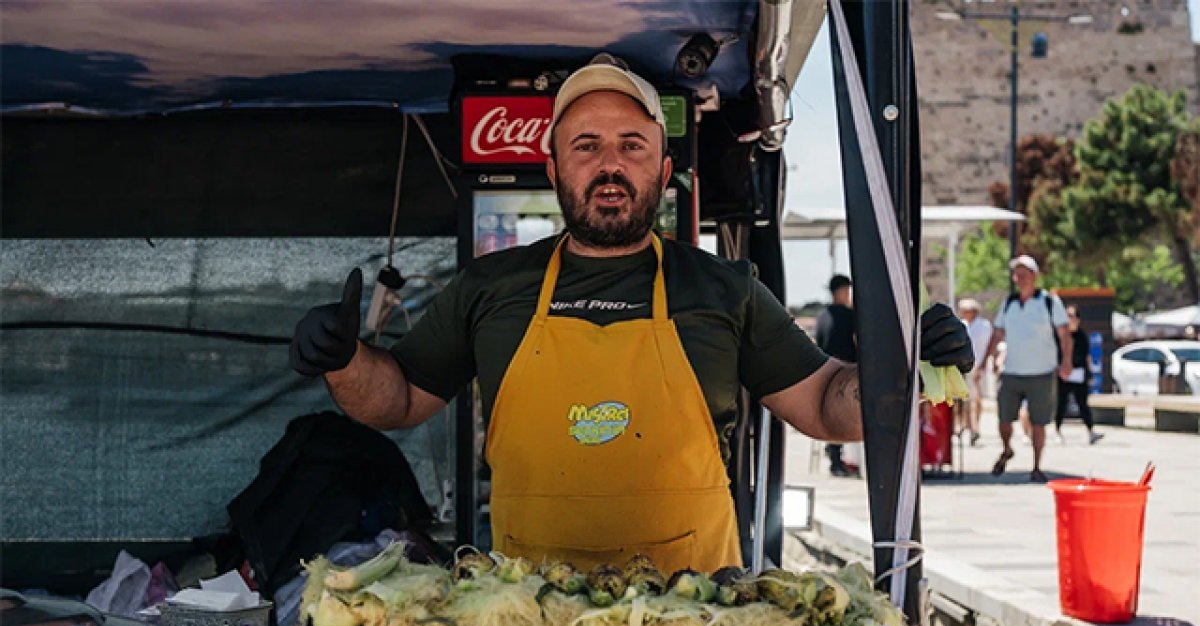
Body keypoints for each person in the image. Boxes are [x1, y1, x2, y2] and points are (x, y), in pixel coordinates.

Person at [289, 54, 975, 573]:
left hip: (698, 624)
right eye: (586, 146)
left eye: (632, 145)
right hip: (526, 618)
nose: (609, 165)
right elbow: (399, 396)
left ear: (663, 166)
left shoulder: (724, 288)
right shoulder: (489, 286)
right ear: (553, 165)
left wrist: (905, 371)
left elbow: (828, 405)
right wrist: (344, 361)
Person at [983, 255, 1072, 483]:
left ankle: (1036, 465)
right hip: (1012, 369)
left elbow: (1064, 334)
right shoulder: (1010, 303)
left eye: (1024, 274)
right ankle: (1006, 448)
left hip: (1042, 370)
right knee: (1004, 417)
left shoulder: (1049, 302)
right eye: (1017, 274)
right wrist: (989, 357)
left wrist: (1066, 361)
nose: (1019, 278)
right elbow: (998, 332)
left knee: (1039, 422)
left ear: (1034, 276)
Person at [815, 275, 857, 476]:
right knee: (841, 415)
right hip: (845, 372)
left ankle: (834, 454)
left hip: (825, 370)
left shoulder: (822, 316)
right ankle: (835, 457)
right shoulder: (848, 316)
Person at [1055, 304, 1103, 445]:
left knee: (1083, 403)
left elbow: (1087, 356)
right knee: (1061, 403)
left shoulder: (1082, 336)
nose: (1069, 319)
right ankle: (1057, 431)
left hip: (1079, 374)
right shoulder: (1061, 335)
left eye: (1072, 316)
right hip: (1063, 374)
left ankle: (1090, 431)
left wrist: (1089, 374)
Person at [956, 297, 992, 446]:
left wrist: (983, 364)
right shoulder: (961, 325)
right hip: (962, 367)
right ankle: (964, 426)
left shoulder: (984, 326)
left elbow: (988, 345)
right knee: (961, 399)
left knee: (976, 398)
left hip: (978, 366)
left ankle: (975, 427)